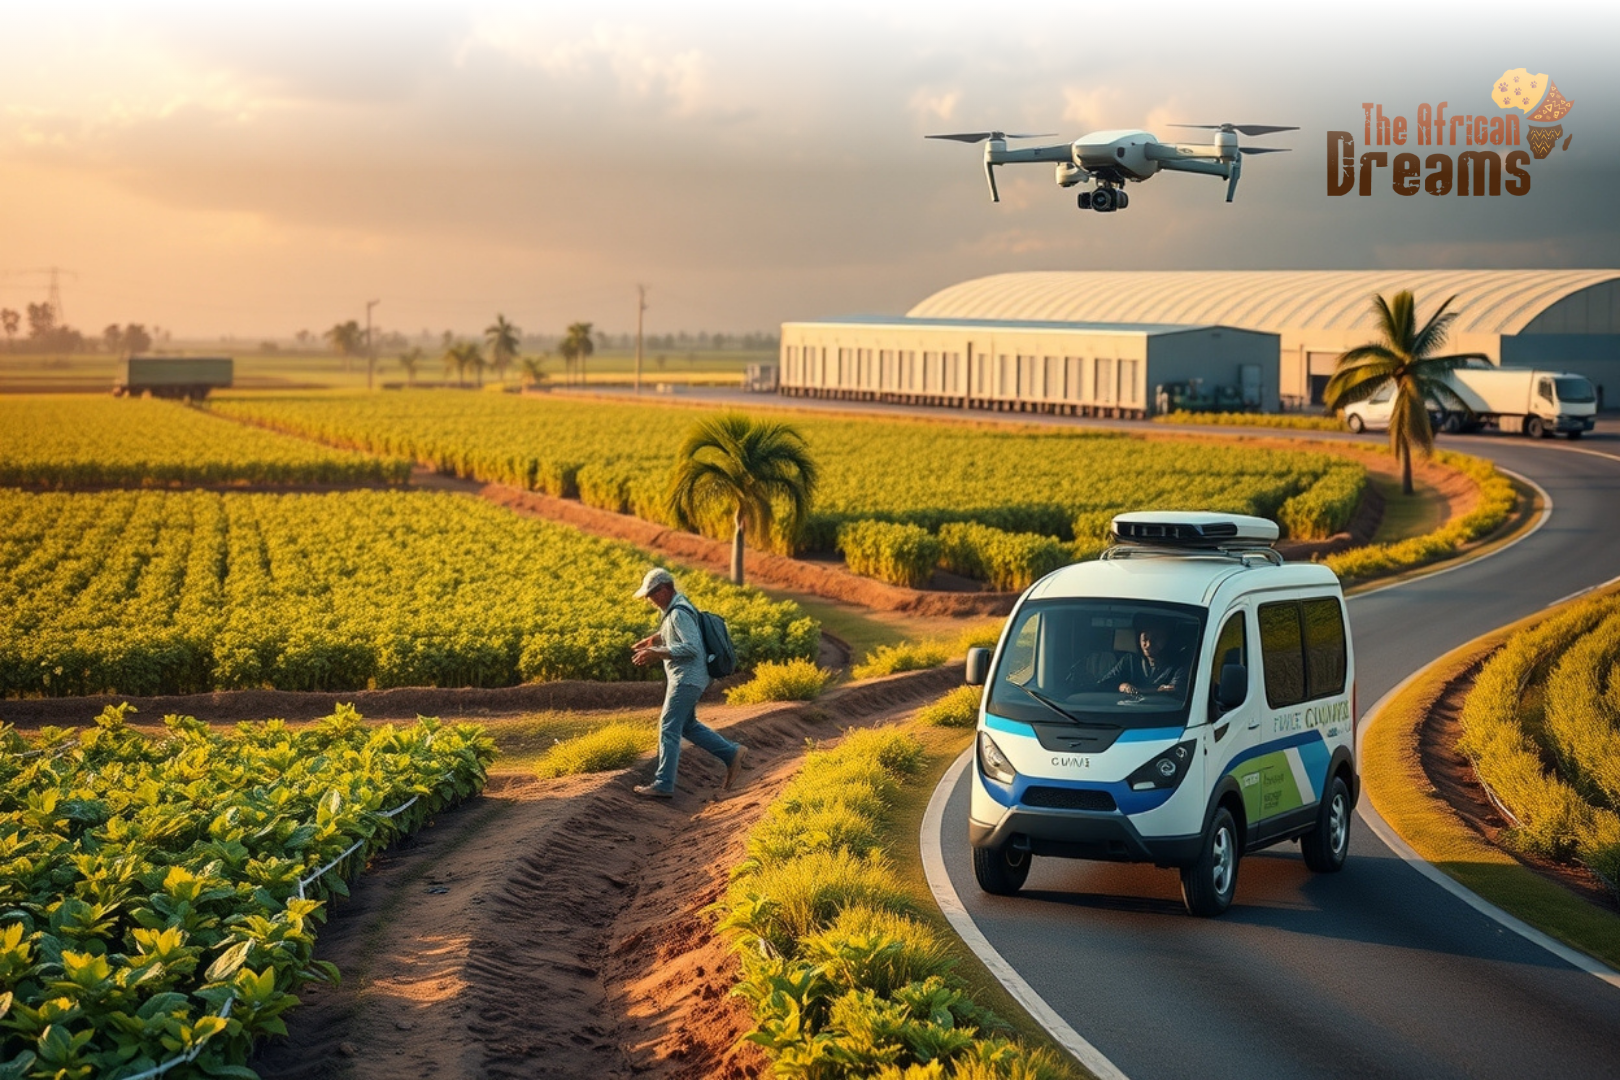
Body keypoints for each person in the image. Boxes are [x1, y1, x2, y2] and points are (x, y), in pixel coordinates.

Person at [629, 567, 745, 798]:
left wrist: (657, 652)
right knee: (687, 726)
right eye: (648, 595)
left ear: (667, 589)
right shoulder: (678, 608)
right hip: (692, 679)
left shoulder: (678, 612)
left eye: (654, 593)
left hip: (686, 679)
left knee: (668, 727)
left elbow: (691, 647)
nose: (650, 600)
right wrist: (656, 638)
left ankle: (663, 784)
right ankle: (731, 753)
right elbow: (682, 634)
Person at [1096, 620, 1186, 696]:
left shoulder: (1178, 664)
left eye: (1156, 638)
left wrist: (1137, 691)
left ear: (1168, 640)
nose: (1148, 644)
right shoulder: (1130, 660)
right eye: (1145, 638)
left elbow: (1176, 691)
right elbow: (1104, 684)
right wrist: (1122, 686)